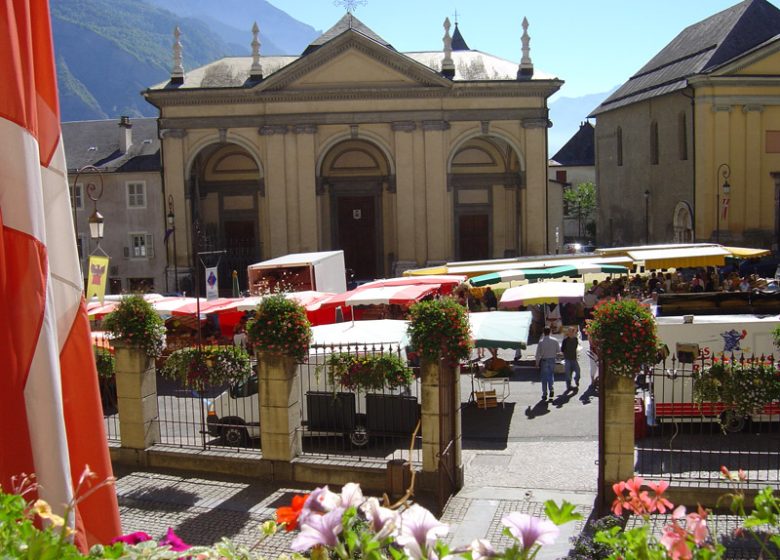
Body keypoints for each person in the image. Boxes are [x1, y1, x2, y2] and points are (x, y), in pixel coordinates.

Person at [535, 326, 560, 401]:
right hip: (552, 359)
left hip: (544, 360)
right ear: (550, 332)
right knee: (550, 375)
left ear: (543, 332)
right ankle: (551, 388)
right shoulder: (555, 340)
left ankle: (544, 393)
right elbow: (558, 351)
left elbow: (538, 354)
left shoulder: (541, 342)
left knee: (544, 377)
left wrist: (537, 363)